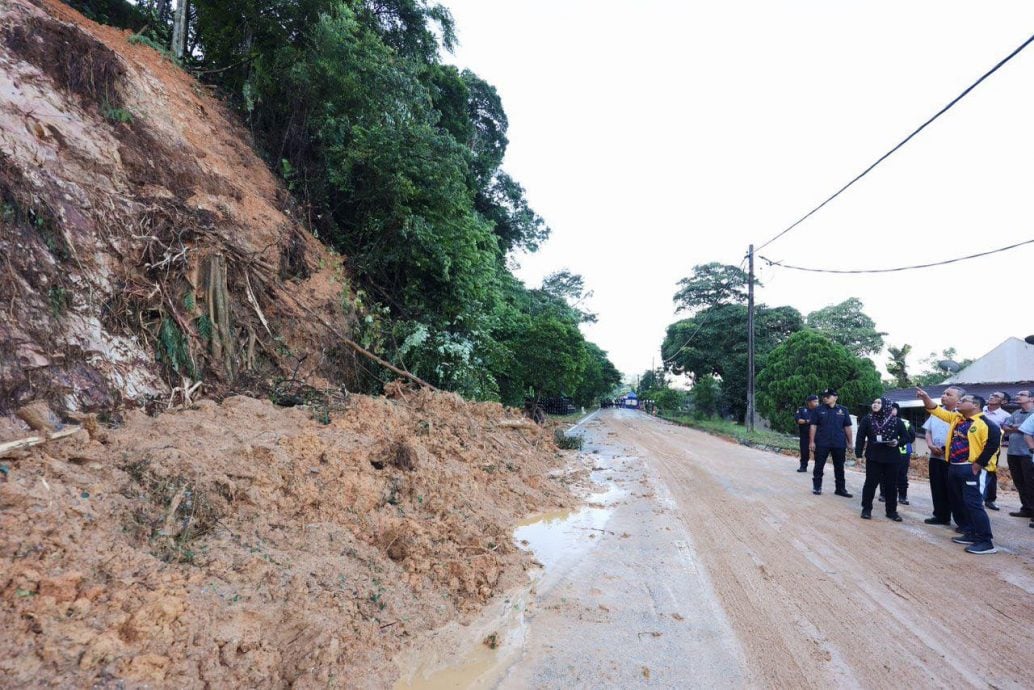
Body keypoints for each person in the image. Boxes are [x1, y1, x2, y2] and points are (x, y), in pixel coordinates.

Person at [917, 387, 1001, 555]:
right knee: (962, 501)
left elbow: (992, 446)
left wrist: (977, 465)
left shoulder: (986, 424)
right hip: (955, 466)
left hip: (974, 469)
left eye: (964, 401)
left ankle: (985, 541)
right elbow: (934, 409)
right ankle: (970, 532)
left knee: (974, 503)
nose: (960, 403)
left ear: (975, 405)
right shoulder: (957, 418)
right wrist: (925, 397)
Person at [856, 397, 911, 521]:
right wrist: (858, 455)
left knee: (891, 485)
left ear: (886, 406)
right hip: (873, 457)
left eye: (879, 403)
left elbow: (906, 437)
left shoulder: (896, 421)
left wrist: (897, 442)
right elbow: (860, 437)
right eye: (874, 402)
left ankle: (891, 511)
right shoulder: (867, 419)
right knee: (871, 483)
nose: (875, 404)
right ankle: (866, 509)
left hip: (892, 458)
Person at [922, 387, 961, 527]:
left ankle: (961, 522)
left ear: (958, 399)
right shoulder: (936, 413)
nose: (944, 396)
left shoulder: (961, 416)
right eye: (943, 393)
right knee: (937, 487)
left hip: (953, 458)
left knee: (954, 490)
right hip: (935, 456)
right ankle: (940, 515)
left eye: (948, 394)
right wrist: (931, 445)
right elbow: (928, 432)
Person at [809, 388, 853, 497]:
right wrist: (812, 442)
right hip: (822, 442)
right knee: (819, 465)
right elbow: (813, 426)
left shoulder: (843, 410)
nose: (825, 398)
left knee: (839, 467)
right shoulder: (818, 410)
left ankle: (840, 489)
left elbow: (847, 427)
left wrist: (850, 442)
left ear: (835, 397)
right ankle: (817, 487)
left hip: (838, 443)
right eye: (824, 396)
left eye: (828, 396)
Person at [1002, 390, 1034, 520]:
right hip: (1013, 452)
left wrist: (1014, 427)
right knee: (1019, 482)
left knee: (1030, 482)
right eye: (1017, 394)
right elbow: (1004, 427)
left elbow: (1024, 429)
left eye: (1022, 395)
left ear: (1031, 398)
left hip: (1028, 454)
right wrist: (1019, 427)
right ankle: (1026, 508)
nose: (1017, 396)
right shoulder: (1015, 413)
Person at [981, 392, 1009, 511]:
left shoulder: (1005, 416)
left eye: (996, 396)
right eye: (992, 395)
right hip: (974, 445)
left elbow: (1006, 431)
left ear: (1004, 402)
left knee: (990, 473)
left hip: (992, 448)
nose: (992, 397)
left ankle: (990, 499)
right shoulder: (979, 409)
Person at [795, 395, 819, 472]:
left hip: (817, 435)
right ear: (809, 402)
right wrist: (807, 421)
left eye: (817, 401)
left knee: (818, 453)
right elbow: (798, 420)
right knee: (804, 451)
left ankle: (818, 469)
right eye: (815, 401)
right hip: (805, 435)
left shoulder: (819, 411)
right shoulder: (802, 410)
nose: (817, 403)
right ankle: (803, 466)